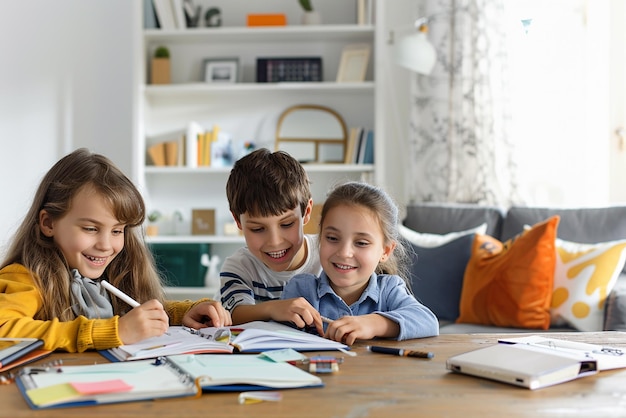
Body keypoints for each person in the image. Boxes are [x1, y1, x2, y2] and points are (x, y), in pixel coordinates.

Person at [0, 148, 231, 353]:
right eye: (91, 228)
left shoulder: (111, 274)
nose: (106, 245)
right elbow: (5, 330)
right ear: (49, 223)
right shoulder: (26, 277)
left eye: (117, 231)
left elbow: (131, 309)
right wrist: (112, 332)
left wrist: (183, 313)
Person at [281, 181, 439, 345]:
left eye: (361, 243)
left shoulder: (389, 289)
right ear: (320, 238)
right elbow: (274, 339)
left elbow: (427, 321)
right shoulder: (301, 290)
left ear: (385, 251)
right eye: (332, 238)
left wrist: (373, 324)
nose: (344, 252)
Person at [220, 148, 324, 332]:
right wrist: (274, 308)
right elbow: (235, 314)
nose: (275, 242)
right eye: (258, 229)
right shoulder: (240, 266)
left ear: (306, 212)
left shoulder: (328, 254)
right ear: (238, 221)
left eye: (286, 224)